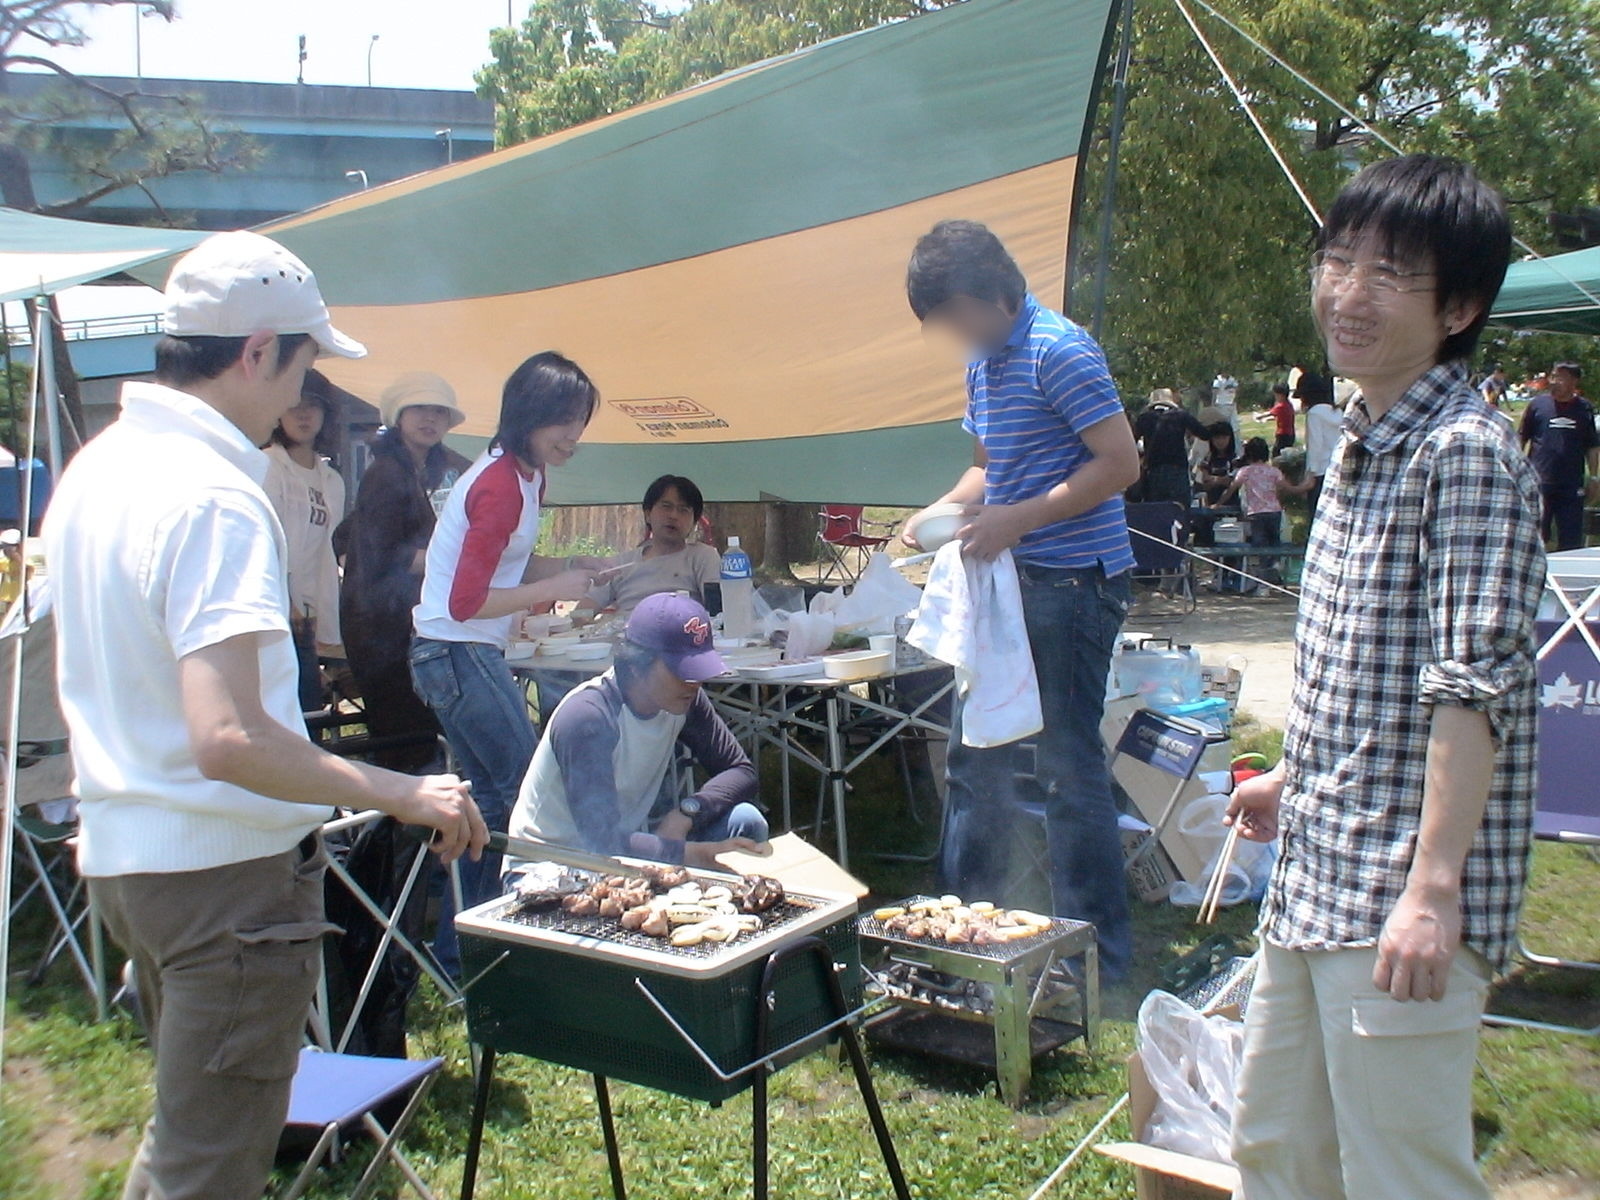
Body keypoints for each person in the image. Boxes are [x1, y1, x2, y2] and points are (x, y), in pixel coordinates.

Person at [42, 230, 486, 1200]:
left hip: (128, 870)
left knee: (187, 1143)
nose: (307, 393)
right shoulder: (212, 495)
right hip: (223, 888)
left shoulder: (95, 471)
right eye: (304, 363)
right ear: (255, 354)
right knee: (208, 1174)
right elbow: (229, 736)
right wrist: (402, 789)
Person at [1226, 155, 1543, 1200]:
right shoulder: (1366, 443)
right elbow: (1364, 666)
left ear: (1458, 308)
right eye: (1337, 257)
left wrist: (1433, 891)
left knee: (1401, 1177)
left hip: (1397, 897)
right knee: (1275, 1152)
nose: (1346, 290)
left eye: (1389, 272)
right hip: (1316, 870)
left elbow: (1471, 688)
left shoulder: (1465, 453)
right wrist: (1292, 777)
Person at [899, 219, 1141, 980]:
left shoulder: (1059, 350)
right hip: (1008, 589)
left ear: (983, 296)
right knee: (976, 758)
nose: (947, 336)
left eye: (947, 318)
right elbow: (988, 469)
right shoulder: (983, 364)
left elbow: (1120, 462)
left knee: (1069, 769)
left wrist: (1017, 520)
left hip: (1074, 583)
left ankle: (1095, 956)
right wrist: (938, 510)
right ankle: (965, 935)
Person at [409, 351, 610, 972]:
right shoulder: (497, 484)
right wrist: (561, 583)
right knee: (523, 788)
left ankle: (464, 951)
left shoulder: (528, 477)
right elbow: (467, 602)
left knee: (489, 808)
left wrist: (580, 570)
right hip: (455, 649)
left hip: (460, 649)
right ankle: (503, 942)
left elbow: (510, 571)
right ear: (529, 414)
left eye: (580, 420)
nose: (573, 435)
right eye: (564, 420)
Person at [506, 593, 768, 876]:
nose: (694, 683)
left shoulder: (685, 697)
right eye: (682, 671)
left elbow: (740, 771)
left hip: (617, 851)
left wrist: (687, 812)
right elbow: (600, 840)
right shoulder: (589, 717)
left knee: (746, 821)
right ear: (635, 663)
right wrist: (687, 856)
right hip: (550, 866)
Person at [335, 373, 471, 772]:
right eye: (420, 409)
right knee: (405, 743)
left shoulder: (409, 470)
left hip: (391, 626)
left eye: (438, 411)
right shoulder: (387, 473)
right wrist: (451, 560)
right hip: (382, 632)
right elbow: (385, 555)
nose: (430, 418)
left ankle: (399, 826)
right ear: (399, 416)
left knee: (408, 739)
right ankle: (396, 829)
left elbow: (346, 535)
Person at [263, 373, 345, 711]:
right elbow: (265, 542)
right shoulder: (268, 465)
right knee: (291, 710)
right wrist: (288, 604)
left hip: (314, 615)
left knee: (310, 711)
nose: (303, 415)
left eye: (313, 406)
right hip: (276, 611)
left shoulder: (332, 479)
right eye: (294, 405)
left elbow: (328, 553)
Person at [573, 474, 722, 621]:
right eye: (666, 506)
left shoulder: (703, 557)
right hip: (624, 638)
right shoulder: (620, 564)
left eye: (683, 510)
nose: (674, 516)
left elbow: (718, 612)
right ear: (647, 514)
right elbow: (581, 613)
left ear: (694, 521)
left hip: (679, 637)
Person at [1212, 437, 1309, 592]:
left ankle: (1264, 580)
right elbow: (1289, 488)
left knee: (1260, 545)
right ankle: (1274, 568)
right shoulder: (1274, 471)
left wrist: (1218, 503)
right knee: (1274, 542)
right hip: (1275, 511)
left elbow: (1231, 489)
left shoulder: (1245, 471)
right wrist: (1305, 486)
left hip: (1256, 513)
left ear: (1248, 454)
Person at [1519, 361, 1596, 551]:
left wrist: (1594, 477)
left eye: (1561, 377)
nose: (1555, 381)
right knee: (1534, 538)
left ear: (1574, 381)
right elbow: (1520, 438)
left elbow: (1592, 446)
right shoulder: (1537, 405)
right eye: (1553, 376)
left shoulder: (1584, 408)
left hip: (1571, 486)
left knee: (1571, 540)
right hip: (1539, 482)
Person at [1133, 388, 1208, 504]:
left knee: (1155, 510)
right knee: (1180, 509)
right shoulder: (1181, 415)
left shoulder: (1144, 418)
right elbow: (1204, 434)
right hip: (1177, 469)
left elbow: (1132, 441)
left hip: (1154, 471)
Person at [1299, 384, 1344, 516]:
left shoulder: (1314, 414)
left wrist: (1310, 474)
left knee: (1317, 513)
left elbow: (1315, 445)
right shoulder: (1337, 411)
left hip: (1320, 470)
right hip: (1338, 467)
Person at [1268, 381, 1297, 451]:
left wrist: (1258, 416)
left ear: (1281, 395)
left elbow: (1269, 413)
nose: (1275, 397)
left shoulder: (1281, 406)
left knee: (1277, 453)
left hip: (1283, 434)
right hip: (1291, 434)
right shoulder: (1289, 405)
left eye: (1276, 395)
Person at [1211, 369, 1240, 436]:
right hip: (1221, 404)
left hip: (1231, 404)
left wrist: (1235, 400)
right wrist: (1213, 403)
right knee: (1223, 422)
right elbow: (1215, 391)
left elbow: (1237, 389)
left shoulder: (1232, 379)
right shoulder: (1218, 380)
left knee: (1234, 424)